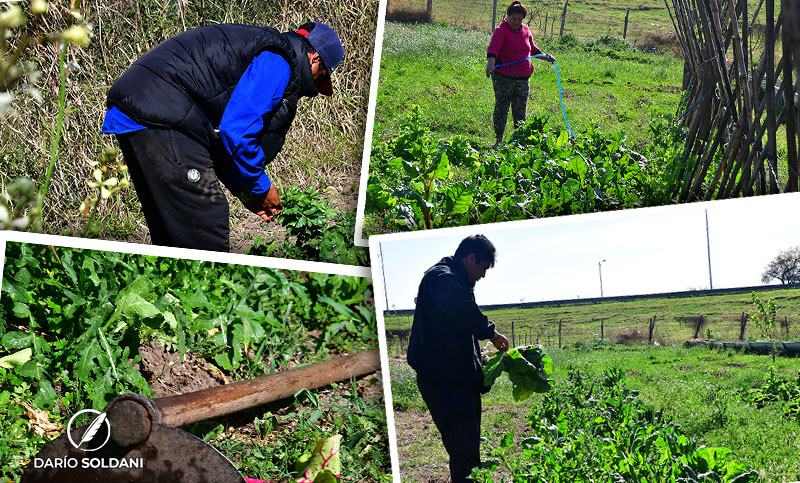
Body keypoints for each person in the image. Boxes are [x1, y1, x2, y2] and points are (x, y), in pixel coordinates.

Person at [100, 22, 344, 251]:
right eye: (321, 77)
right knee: (205, 220)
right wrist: (263, 185)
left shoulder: (268, 48)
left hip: (140, 110)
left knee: (176, 230)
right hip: (161, 110)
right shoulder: (280, 59)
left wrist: (249, 192)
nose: (314, 87)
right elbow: (238, 131)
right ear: (314, 58)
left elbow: (221, 144)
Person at [406, 234, 510, 482]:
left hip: (456, 379)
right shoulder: (442, 278)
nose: (483, 275)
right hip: (444, 381)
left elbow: (458, 329)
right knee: (464, 451)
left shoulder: (454, 279)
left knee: (468, 447)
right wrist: (492, 334)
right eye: (483, 268)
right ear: (471, 257)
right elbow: (465, 313)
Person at [486, 1, 555, 147]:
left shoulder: (526, 30)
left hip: (523, 78)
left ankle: (519, 140)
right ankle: (499, 138)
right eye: (514, 19)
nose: (517, 22)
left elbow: (533, 49)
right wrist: (490, 65)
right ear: (508, 16)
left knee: (520, 108)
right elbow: (493, 49)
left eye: (520, 19)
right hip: (503, 77)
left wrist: (545, 57)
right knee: (502, 106)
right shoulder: (501, 31)